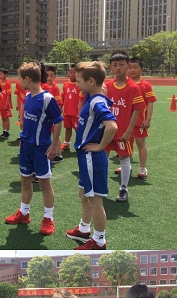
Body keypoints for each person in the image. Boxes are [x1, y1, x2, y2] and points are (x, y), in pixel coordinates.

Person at [4, 62, 62, 236]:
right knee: (25, 181)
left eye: (20, 78)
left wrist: (53, 145)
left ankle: (48, 219)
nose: (18, 82)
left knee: (44, 183)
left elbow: (58, 121)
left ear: (27, 79)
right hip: (26, 147)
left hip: (41, 149)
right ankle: (24, 213)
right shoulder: (28, 96)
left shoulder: (47, 98)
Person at [65, 61, 117, 250]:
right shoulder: (94, 96)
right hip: (84, 156)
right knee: (83, 194)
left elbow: (112, 126)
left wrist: (100, 146)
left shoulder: (96, 101)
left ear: (91, 81)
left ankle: (99, 240)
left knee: (95, 200)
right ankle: (84, 229)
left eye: (79, 80)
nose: (76, 83)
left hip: (91, 157)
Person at [105, 50, 145, 203]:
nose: (118, 68)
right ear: (111, 67)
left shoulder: (133, 87)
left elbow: (137, 109)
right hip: (108, 131)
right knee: (103, 156)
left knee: (123, 157)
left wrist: (129, 131)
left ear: (127, 66)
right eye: (115, 65)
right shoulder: (107, 86)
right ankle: (103, 186)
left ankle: (123, 188)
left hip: (123, 131)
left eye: (122, 65)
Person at [127, 57, 157, 179]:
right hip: (125, 121)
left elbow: (150, 103)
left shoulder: (145, 85)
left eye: (135, 67)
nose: (132, 70)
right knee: (125, 143)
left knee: (140, 143)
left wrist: (148, 119)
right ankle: (126, 165)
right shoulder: (124, 83)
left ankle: (142, 167)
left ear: (142, 69)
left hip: (140, 121)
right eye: (130, 67)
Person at [60, 64, 81, 151]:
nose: (72, 74)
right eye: (70, 72)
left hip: (76, 113)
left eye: (74, 73)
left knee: (78, 130)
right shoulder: (65, 85)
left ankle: (79, 144)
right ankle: (66, 144)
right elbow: (63, 98)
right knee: (67, 128)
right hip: (67, 112)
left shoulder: (80, 85)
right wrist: (61, 108)